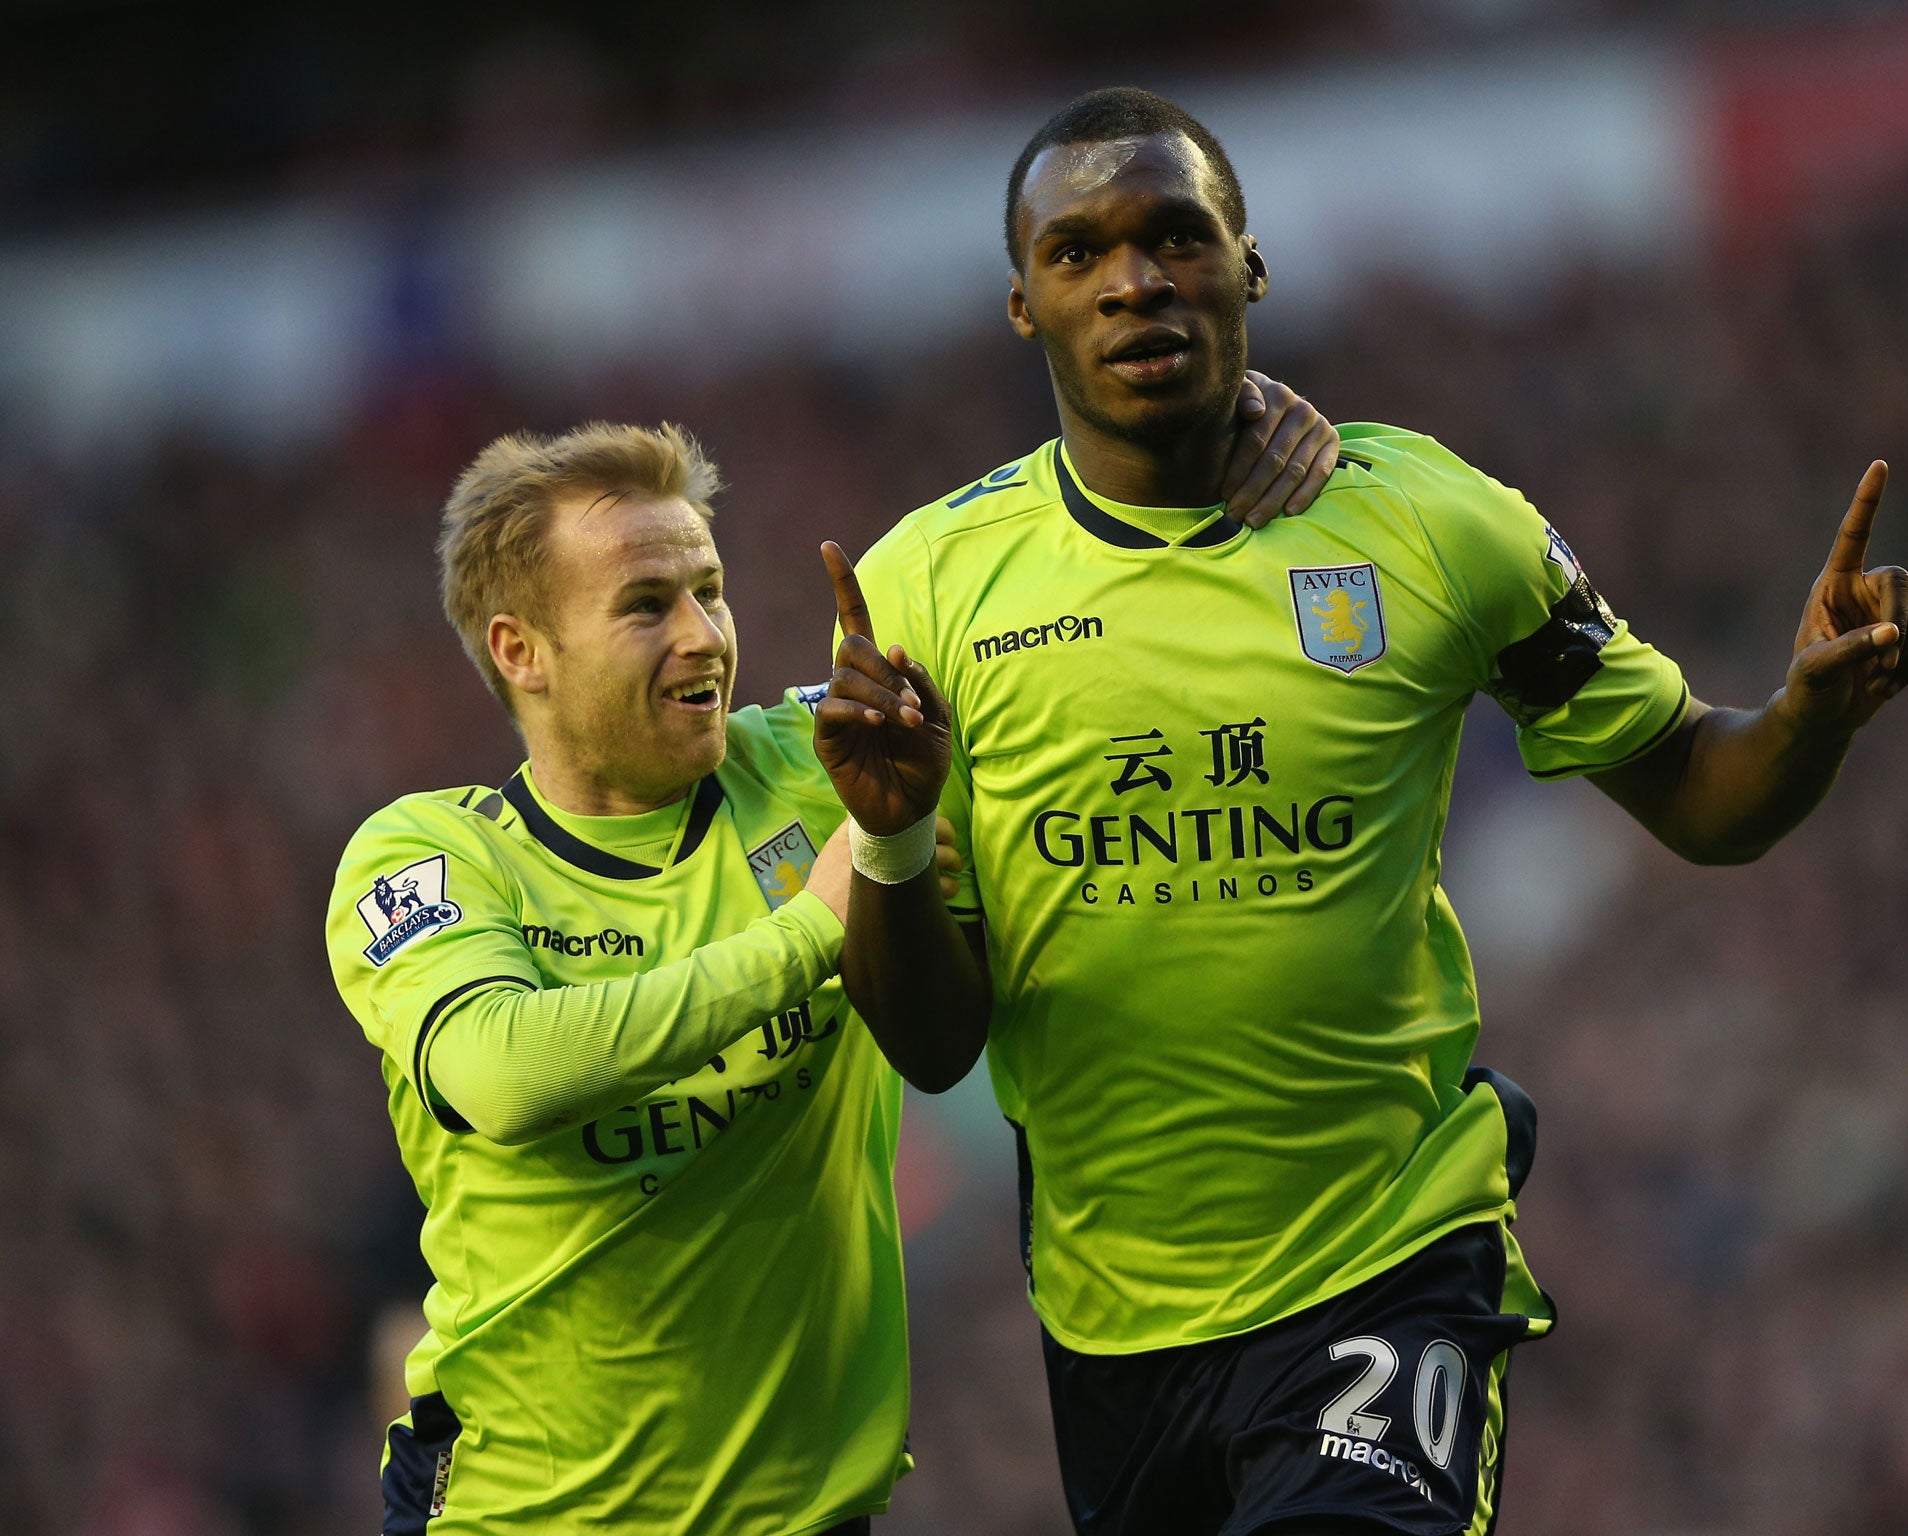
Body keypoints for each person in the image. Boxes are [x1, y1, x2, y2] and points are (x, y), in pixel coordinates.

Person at [814, 87, 1908, 1536]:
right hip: (1113, 1320)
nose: (1135, 279)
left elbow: (1704, 799)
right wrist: (895, 843)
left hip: (1390, 1261)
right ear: (1023, 305)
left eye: (1175, 237)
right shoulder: (925, 591)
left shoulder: (1430, 522)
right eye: (1080, 254)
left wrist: (1806, 717)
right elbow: (936, 1037)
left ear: (1250, 266)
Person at [327, 398, 1341, 1533]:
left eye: (709, 589)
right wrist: (815, 926)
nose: (705, 636)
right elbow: (500, 1075)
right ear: (521, 651)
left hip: (816, 1516)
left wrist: (1198, 443)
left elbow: (1067, 676)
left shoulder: (815, 771)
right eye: (646, 606)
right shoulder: (431, 856)